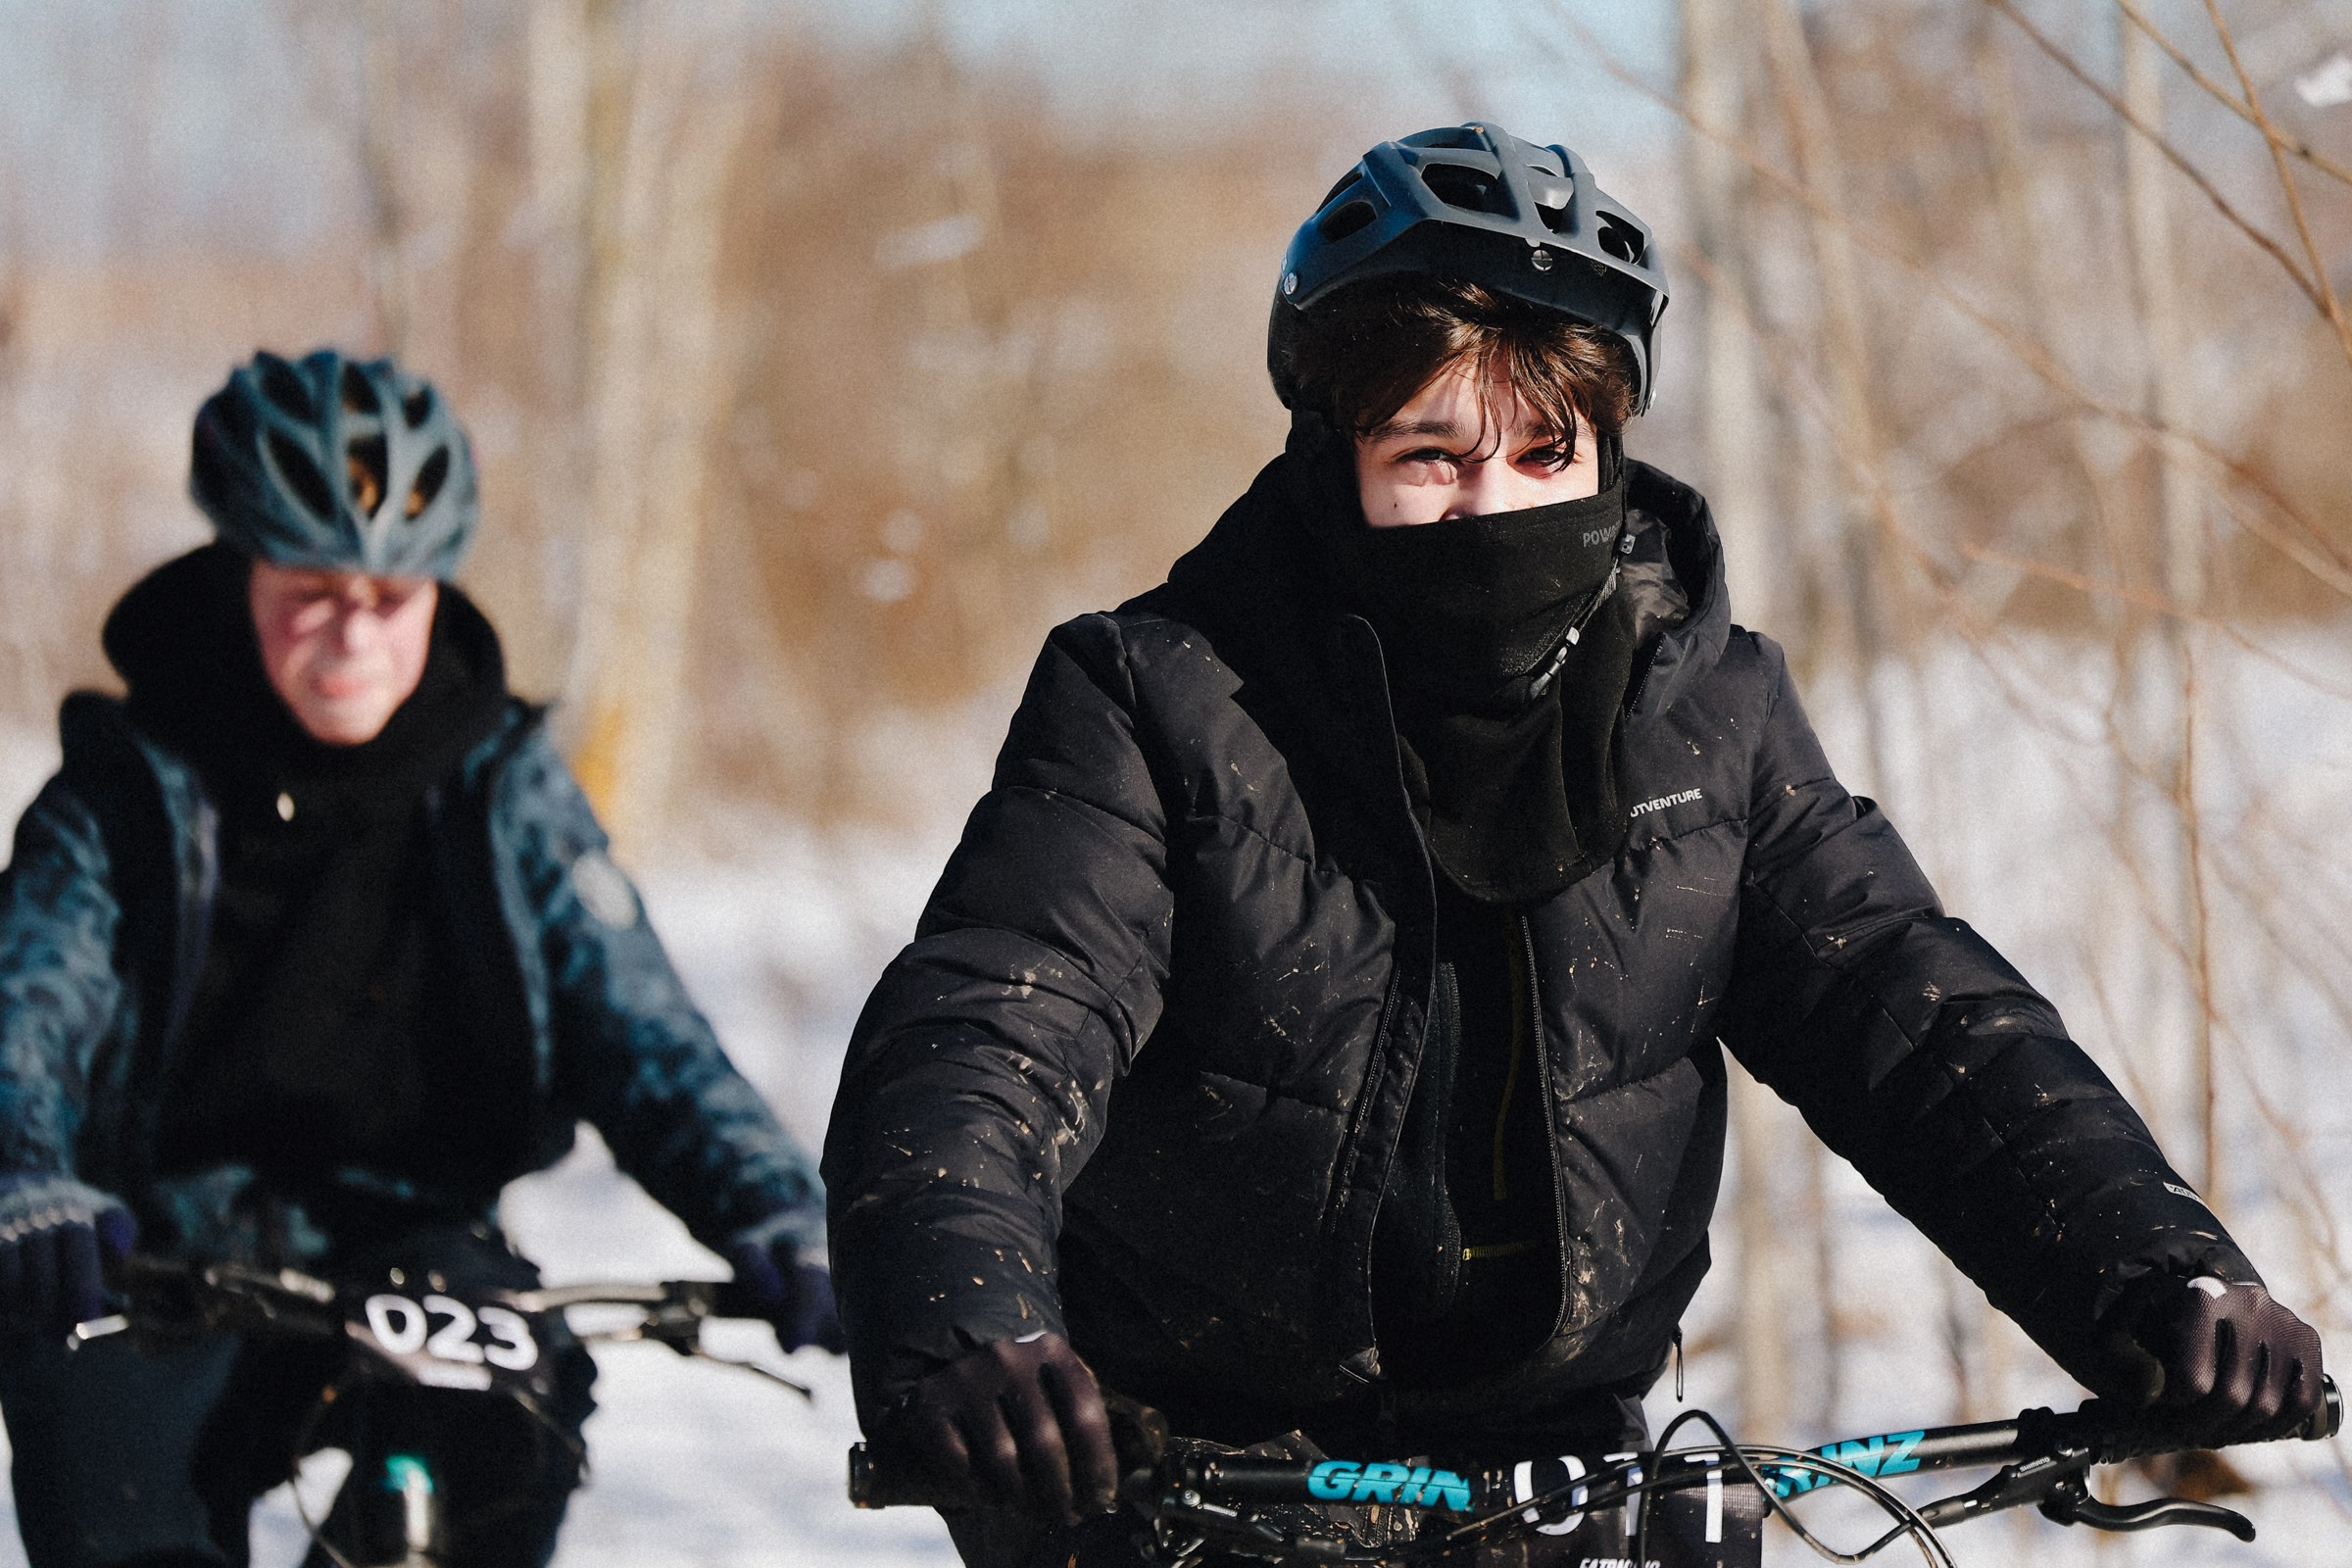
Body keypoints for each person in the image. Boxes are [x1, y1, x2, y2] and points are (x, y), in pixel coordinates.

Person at [821, 124, 2326, 1564]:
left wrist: (2155, 1272)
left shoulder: (1710, 713)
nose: (1494, 507)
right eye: (1430, 456)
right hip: (1198, 1484)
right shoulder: (1159, 697)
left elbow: (1919, 1027)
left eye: (1547, 453)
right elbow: (993, 1026)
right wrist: (970, 1318)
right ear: (1330, 455)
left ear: (1610, 450)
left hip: (1572, 1477)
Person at [0, 349, 838, 1568]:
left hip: (416, 1241)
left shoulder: (502, 786)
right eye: (313, 590)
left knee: (513, 1424)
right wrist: (24, 1178)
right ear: (242, 567)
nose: (355, 634)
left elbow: (643, 1031)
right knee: (116, 1521)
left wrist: (776, 1206)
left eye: (395, 597)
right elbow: (26, 1010)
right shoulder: (125, 788)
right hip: (149, 1251)